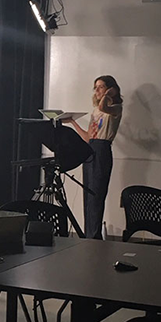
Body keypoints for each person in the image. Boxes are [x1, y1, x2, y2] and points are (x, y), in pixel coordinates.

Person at [65, 75, 123, 240]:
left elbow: (105, 107)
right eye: (95, 87)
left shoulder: (116, 108)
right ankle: (88, 236)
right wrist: (73, 123)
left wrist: (108, 95)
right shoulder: (96, 111)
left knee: (96, 196)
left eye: (101, 87)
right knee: (88, 197)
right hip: (90, 149)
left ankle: (94, 237)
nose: (97, 90)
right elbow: (88, 137)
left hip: (102, 150)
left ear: (110, 89)